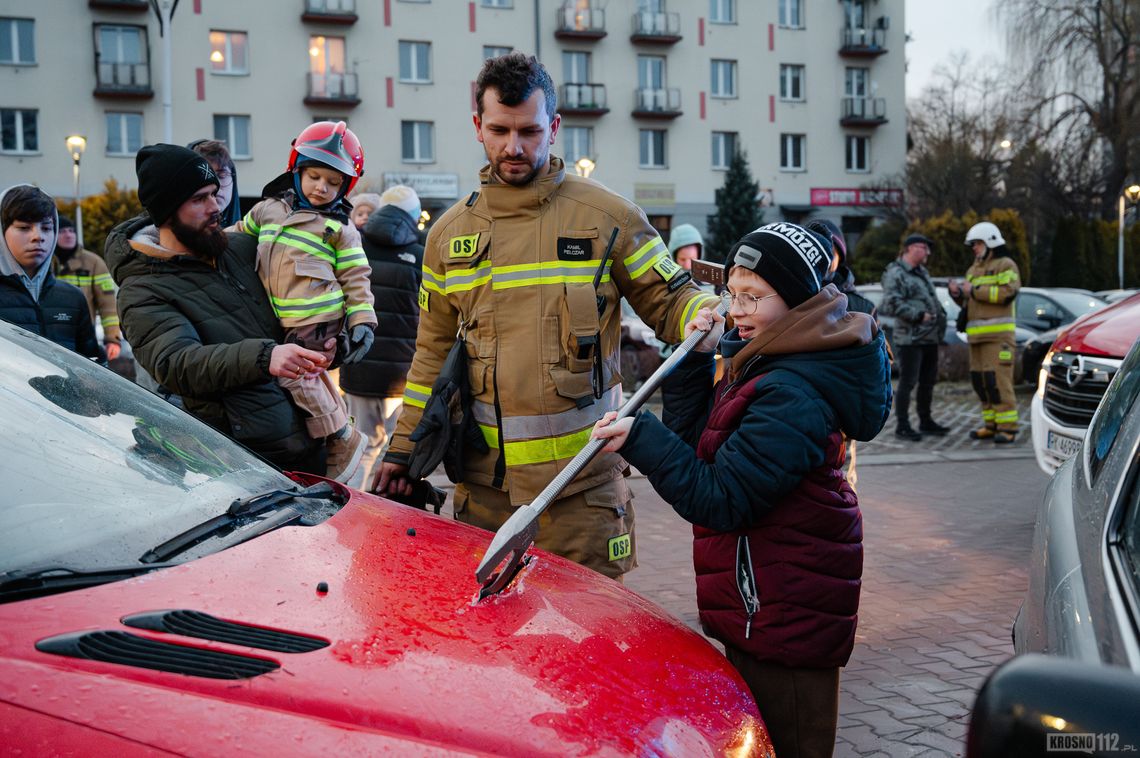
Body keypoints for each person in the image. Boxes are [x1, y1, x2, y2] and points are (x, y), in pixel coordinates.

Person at [373, 52, 720, 580]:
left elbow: (671, 299)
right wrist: (402, 451)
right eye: (500, 130)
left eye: (530, 131)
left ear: (554, 127)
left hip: (581, 499)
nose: (514, 147)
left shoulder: (609, 219)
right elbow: (430, 357)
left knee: (588, 653)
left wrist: (702, 310)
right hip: (485, 502)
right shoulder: (446, 237)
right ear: (478, 127)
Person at [591, 221, 891, 758]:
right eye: (732, 294)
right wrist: (691, 364)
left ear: (797, 301)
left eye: (753, 297)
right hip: (761, 604)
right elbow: (700, 447)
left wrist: (642, 438)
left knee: (789, 740)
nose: (736, 310)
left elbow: (720, 497)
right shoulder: (766, 360)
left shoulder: (794, 390)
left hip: (785, 614)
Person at [106, 143, 336, 475]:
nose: (216, 206)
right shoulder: (142, 288)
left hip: (308, 440)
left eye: (215, 193)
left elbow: (305, 304)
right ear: (166, 212)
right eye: (199, 199)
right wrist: (265, 357)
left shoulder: (242, 248)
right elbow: (177, 364)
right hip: (240, 464)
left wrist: (332, 342)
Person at [230, 120, 376, 481]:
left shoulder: (340, 229)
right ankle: (338, 426)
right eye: (314, 176)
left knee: (295, 376)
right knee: (309, 374)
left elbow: (357, 279)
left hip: (318, 317)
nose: (321, 188)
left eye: (333, 182)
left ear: (346, 186)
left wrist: (363, 322)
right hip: (278, 318)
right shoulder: (266, 210)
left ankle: (340, 436)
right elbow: (234, 239)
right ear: (296, 169)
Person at [339, 185, 424, 488]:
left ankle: (353, 509)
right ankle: (390, 514)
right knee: (397, 451)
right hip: (403, 373)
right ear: (413, 217)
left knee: (360, 447)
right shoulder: (419, 255)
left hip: (359, 365)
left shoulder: (354, 247)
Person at [0, 185, 103, 361]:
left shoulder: (73, 297)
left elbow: (92, 367)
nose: (38, 236)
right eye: (24, 227)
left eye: (46, 228)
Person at [949, 221, 1021, 443]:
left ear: (990, 242)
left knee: (999, 382)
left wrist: (975, 290)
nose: (974, 248)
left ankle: (1008, 427)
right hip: (977, 337)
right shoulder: (973, 269)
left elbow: (1008, 292)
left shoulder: (1006, 265)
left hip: (999, 339)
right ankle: (991, 424)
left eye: (977, 243)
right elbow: (968, 301)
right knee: (981, 383)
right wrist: (957, 293)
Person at [880, 233, 950, 441]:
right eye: (923, 247)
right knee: (908, 382)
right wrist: (918, 315)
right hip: (911, 338)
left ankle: (925, 421)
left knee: (928, 382)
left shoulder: (922, 272)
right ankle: (902, 425)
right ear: (910, 248)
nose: (928, 251)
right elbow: (892, 303)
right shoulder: (896, 273)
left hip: (930, 337)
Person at [53, 214, 121, 360]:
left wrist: (112, 338)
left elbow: (108, 305)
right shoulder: (43, 262)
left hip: (83, 339)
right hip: (48, 337)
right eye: (63, 231)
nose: (69, 235)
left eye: (71, 231)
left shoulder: (94, 263)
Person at [806, 218, 876, 316]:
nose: (824, 258)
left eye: (830, 252)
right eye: (816, 250)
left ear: (840, 258)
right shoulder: (786, 297)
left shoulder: (863, 308)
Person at [187, 138, 242, 227]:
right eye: (206, 175)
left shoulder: (249, 237)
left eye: (222, 176)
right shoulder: (163, 238)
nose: (216, 186)